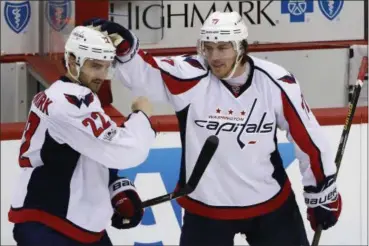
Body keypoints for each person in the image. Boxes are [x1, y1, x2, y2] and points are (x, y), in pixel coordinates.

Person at [84, 11, 342, 246]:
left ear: (241, 46)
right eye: (209, 48)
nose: (215, 56)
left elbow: (309, 140)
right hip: (206, 208)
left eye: (222, 47)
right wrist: (127, 48)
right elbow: (145, 74)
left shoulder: (276, 82)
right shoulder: (191, 75)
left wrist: (321, 193)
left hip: (270, 204)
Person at [8, 26, 156, 246]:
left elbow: (88, 152)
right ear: (71, 60)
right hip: (51, 224)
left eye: (106, 67)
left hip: (72, 222)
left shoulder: (68, 95)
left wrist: (117, 187)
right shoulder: (69, 103)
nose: (102, 76)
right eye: (95, 66)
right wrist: (141, 115)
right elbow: (126, 151)